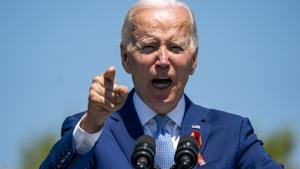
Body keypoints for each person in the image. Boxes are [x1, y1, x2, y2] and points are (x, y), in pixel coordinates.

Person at [40, 0, 283, 169]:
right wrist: (92, 126)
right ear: (126, 58)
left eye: (176, 47)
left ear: (194, 60)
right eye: (149, 46)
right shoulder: (93, 131)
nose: (163, 60)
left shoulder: (232, 134)